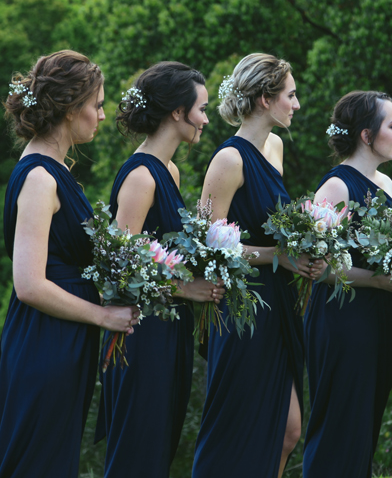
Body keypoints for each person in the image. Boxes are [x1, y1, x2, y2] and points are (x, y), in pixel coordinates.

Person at [0, 50, 139, 478]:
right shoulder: (39, 178)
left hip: (65, 340)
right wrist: (102, 315)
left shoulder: (57, 169)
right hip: (44, 342)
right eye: (97, 105)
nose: (103, 116)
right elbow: (29, 285)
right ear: (72, 110)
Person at [192, 53, 323, 478]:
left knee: (287, 431)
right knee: (234, 428)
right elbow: (207, 244)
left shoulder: (275, 146)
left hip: (279, 304)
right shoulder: (228, 160)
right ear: (265, 99)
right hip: (242, 308)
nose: (297, 104)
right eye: (291, 95)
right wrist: (276, 257)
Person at [95, 61, 225, 477]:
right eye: (201, 109)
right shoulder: (140, 176)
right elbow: (117, 271)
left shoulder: (170, 171)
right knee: (139, 450)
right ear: (176, 113)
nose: (205, 119)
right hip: (142, 334)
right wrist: (187, 289)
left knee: (161, 447)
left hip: (172, 330)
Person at [302, 91, 392, 478]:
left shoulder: (387, 184)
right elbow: (321, 268)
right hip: (343, 321)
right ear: (367, 135)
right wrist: (379, 282)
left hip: (382, 320)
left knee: (366, 424)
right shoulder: (336, 188)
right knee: (340, 424)